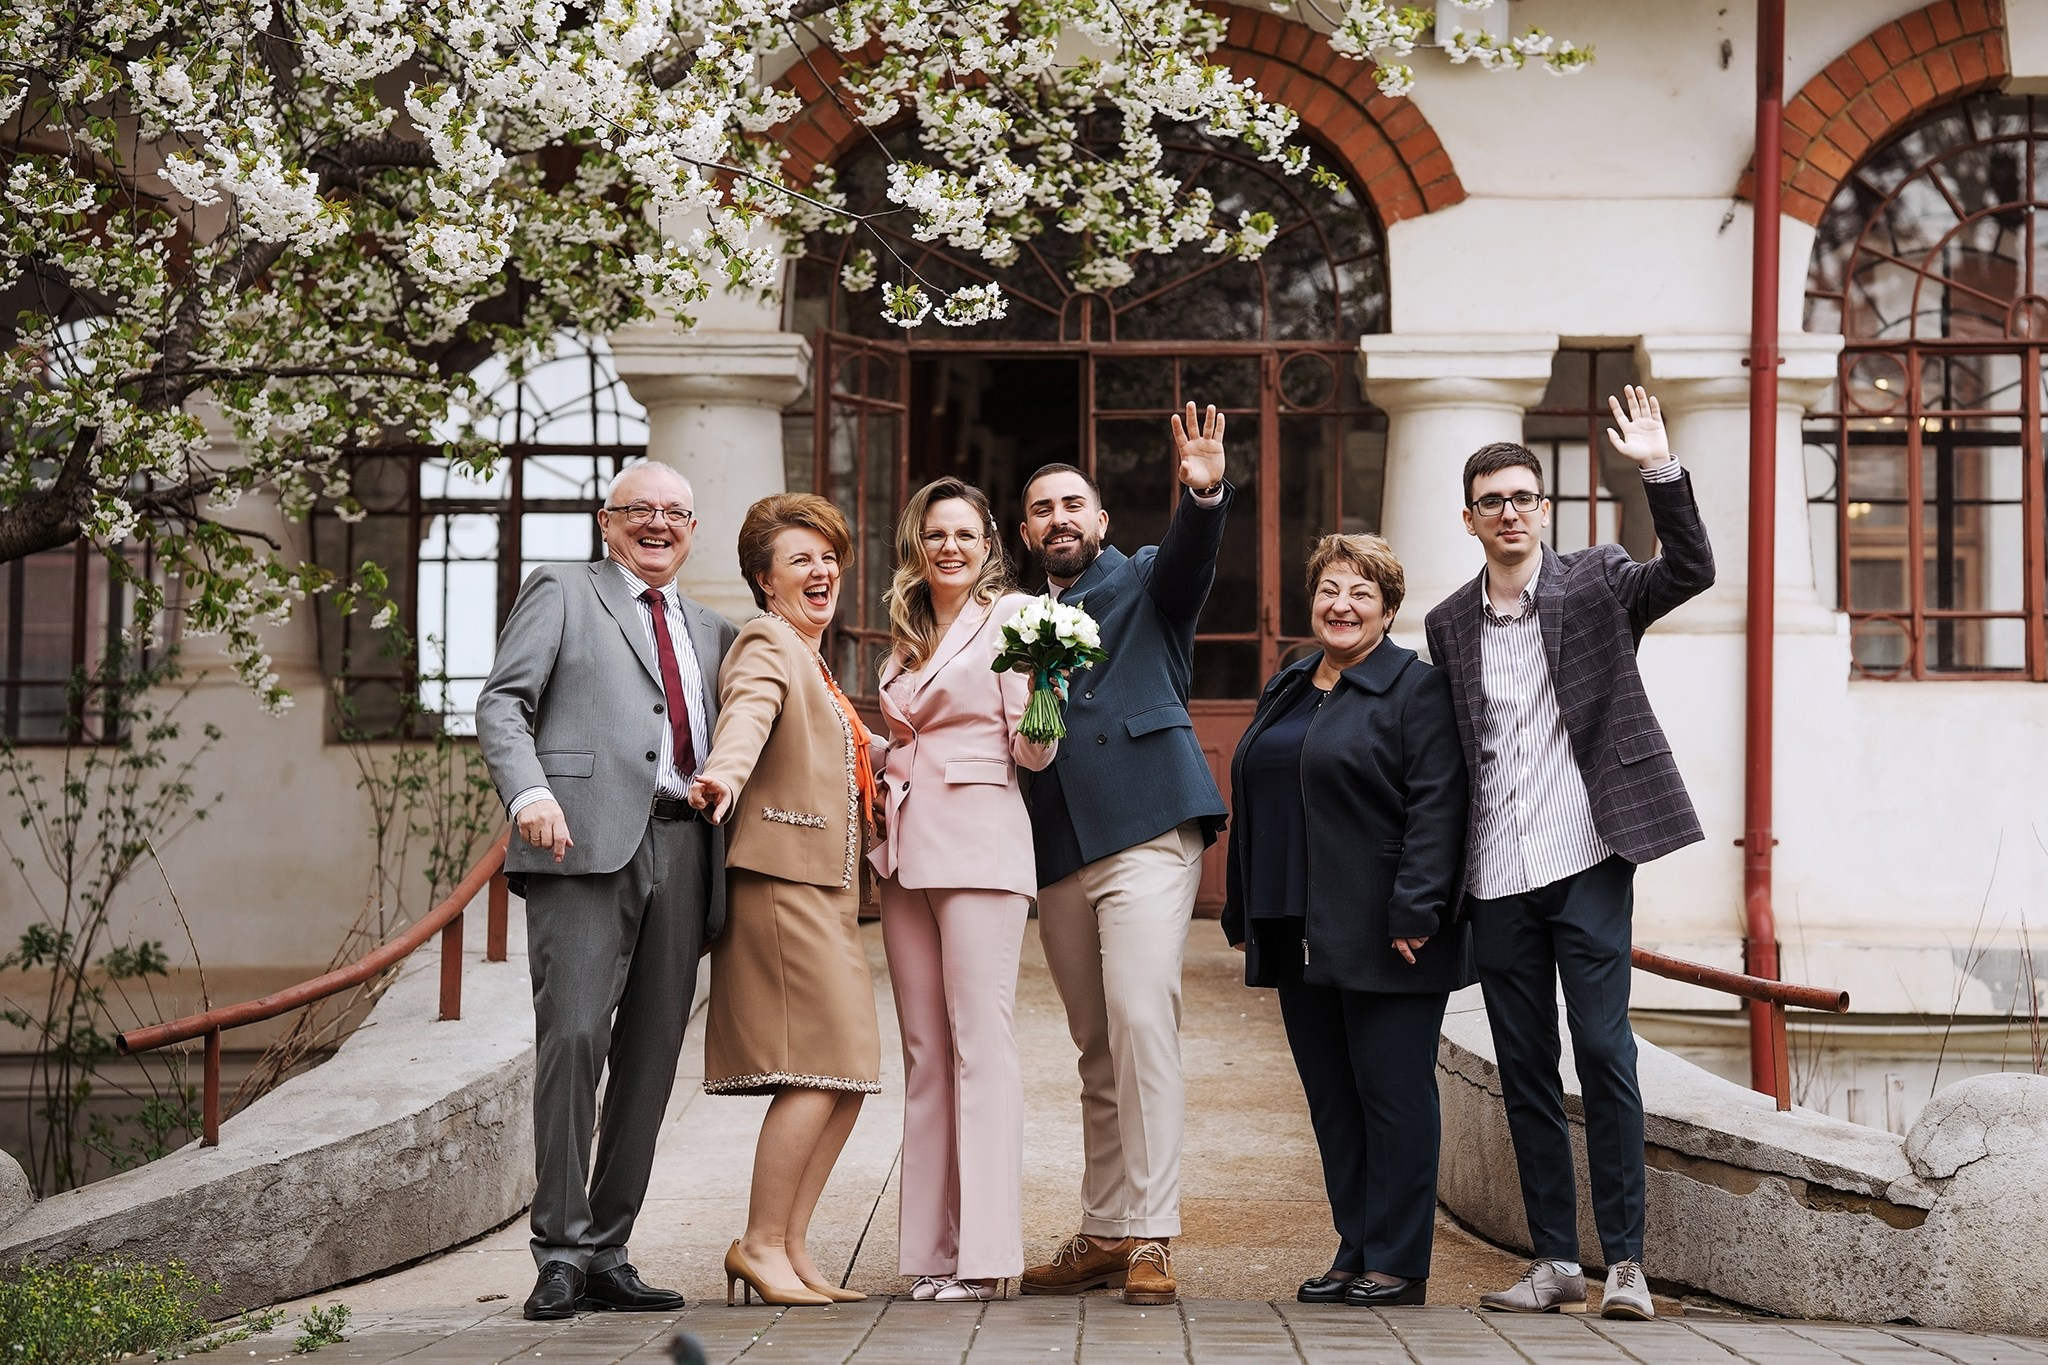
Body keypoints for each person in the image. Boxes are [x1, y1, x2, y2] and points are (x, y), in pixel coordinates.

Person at [1422, 386, 1714, 1322]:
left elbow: (1692, 569)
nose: (1511, 512)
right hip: (1497, 872)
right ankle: (1555, 1262)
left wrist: (1659, 470)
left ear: (1543, 508)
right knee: (1525, 1069)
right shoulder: (1447, 623)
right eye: (1493, 501)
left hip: (1589, 857)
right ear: (1468, 519)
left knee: (1604, 1050)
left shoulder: (1596, 580)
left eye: (1524, 497)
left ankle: (1625, 1264)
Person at [475, 462, 737, 1321]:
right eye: (640, 510)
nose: (658, 523)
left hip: (687, 845)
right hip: (581, 842)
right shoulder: (561, 589)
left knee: (654, 1056)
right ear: (606, 520)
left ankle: (607, 1250)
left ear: (692, 529)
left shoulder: (715, 629)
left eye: (675, 513)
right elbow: (504, 703)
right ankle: (556, 1249)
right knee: (576, 1039)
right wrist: (531, 794)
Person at [1016, 403, 1231, 1308]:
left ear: (1101, 522)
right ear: (1025, 532)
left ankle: (1152, 1232)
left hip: (1146, 822)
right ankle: (1104, 1228)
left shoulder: (1145, 579)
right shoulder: (1016, 616)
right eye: (1041, 508)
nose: (1059, 517)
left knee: (1142, 1017)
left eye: (1074, 504)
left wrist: (1205, 490)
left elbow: (1190, 560)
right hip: (1059, 841)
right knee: (1094, 1041)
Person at [1222, 533, 1469, 1309]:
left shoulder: (1418, 689)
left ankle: (1399, 1260)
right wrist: (1244, 902)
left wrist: (1419, 903)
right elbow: (1261, 792)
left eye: (1362, 593)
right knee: (1332, 1094)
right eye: (1331, 588)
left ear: (1388, 608)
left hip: (1390, 925)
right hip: (1299, 922)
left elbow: (1439, 801)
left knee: (1392, 1095)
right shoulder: (1291, 683)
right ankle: (1357, 1244)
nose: (1342, 605)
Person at [684, 493, 881, 1310]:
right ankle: (759, 1241)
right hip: (782, 882)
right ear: (766, 581)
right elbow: (748, 716)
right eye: (800, 559)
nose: (821, 570)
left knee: (845, 1074)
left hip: (829, 887)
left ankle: (789, 1246)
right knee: (815, 1068)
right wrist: (722, 777)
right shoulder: (769, 640)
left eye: (829, 556)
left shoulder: (819, 661)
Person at [871, 478, 1058, 1303]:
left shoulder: (1017, 619)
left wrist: (1048, 687)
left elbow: (1034, 752)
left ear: (989, 543)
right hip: (905, 848)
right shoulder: (907, 637)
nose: (950, 547)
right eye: (934, 534)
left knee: (983, 1045)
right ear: (917, 545)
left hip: (980, 843)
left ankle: (986, 1258)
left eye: (965, 533)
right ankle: (929, 1252)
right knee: (925, 1054)